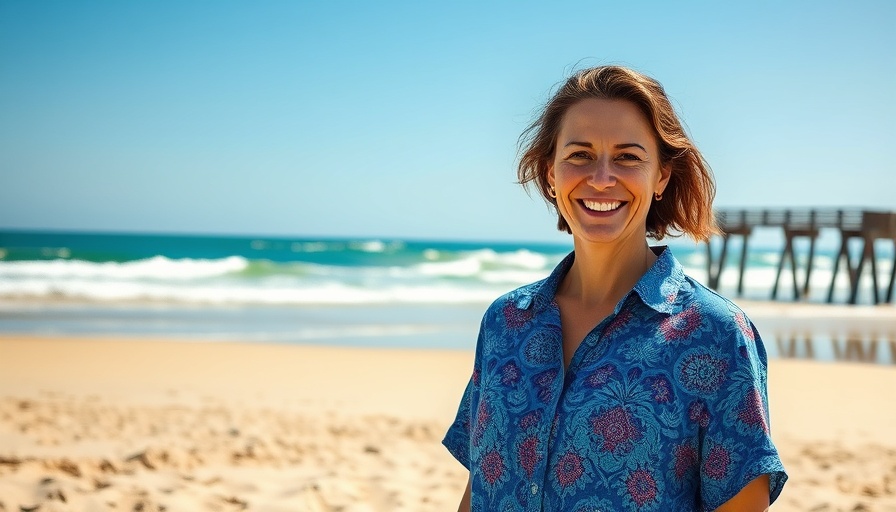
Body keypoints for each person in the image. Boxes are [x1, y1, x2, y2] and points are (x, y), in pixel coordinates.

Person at [442, 65, 787, 511]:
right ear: (550, 173)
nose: (602, 177)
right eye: (580, 155)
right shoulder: (505, 322)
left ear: (661, 176)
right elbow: (480, 486)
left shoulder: (716, 336)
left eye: (627, 157)